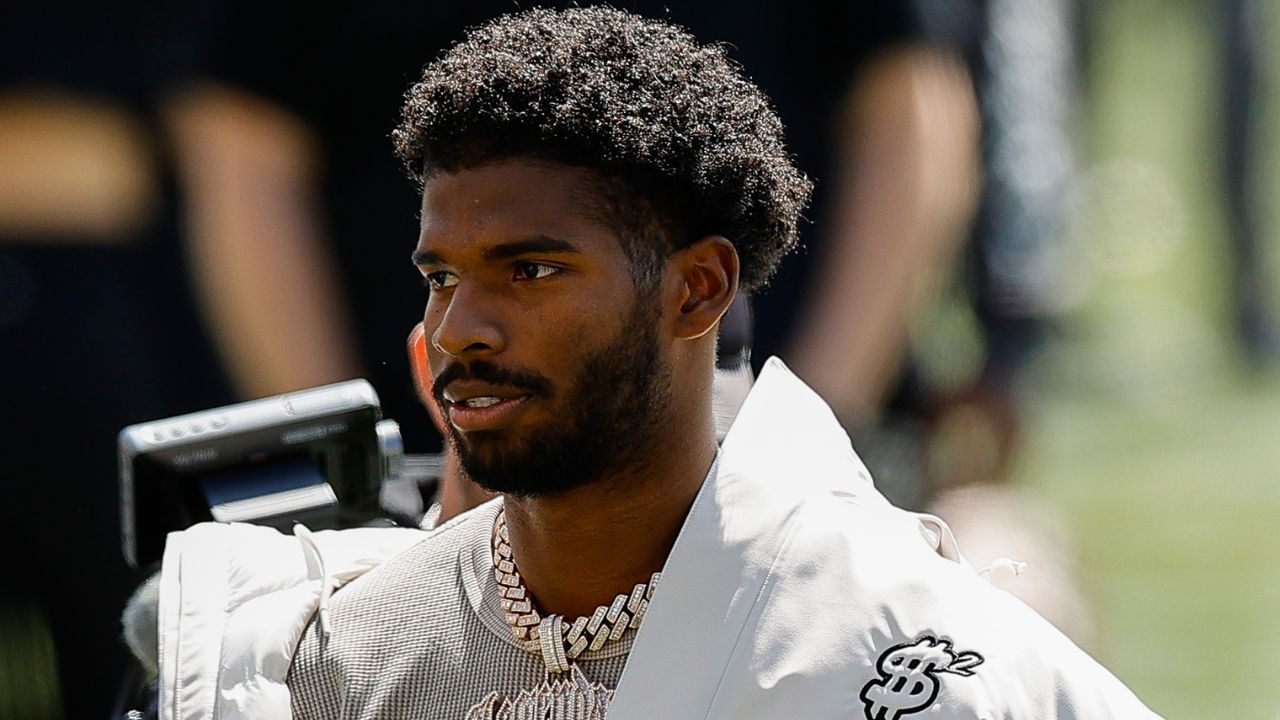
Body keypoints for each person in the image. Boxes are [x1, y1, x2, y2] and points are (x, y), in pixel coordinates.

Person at [149, 7, 1161, 719]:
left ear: (699, 290)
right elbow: (242, 138)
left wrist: (821, 415)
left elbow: (907, 107)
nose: (465, 328)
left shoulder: (908, 662)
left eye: (531, 271)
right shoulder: (323, 662)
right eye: (442, 277)